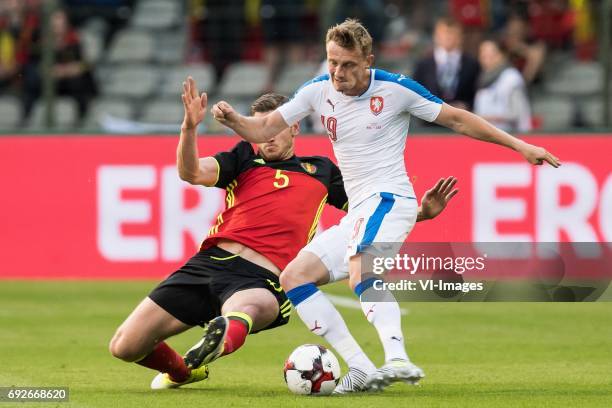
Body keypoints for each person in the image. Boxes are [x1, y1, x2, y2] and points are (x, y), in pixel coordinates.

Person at [208, 18, 560, 392]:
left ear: (368, 61)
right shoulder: (317, 90)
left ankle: (397, 359)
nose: (338, 72)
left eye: (347, 64)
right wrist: (234, 120)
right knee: (294, 277)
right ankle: (360, 369)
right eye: (332, 62)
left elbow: (458, 119)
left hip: (390, 198)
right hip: (361, 209)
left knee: (363, 272)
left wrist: (521, 146)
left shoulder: (396, 89)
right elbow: (262, 130)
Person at [108, 77, 458, 390]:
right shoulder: (243, 159)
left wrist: (421, 214)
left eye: (275, 125)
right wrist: (189, 128)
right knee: (125, 346)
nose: (267, 134)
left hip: (263, 278)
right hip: (208, 264)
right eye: (259, 126)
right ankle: (185, 371)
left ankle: (218, 340)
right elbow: (191, 173)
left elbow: (371, 214)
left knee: (245, 310)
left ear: (294, 128)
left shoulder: (321, 171)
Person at [413, 16, 480, 111]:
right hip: (429, 122)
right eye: (444, 33)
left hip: (462, 121)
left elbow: (477, 94)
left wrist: (466, 105)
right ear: (436, 36)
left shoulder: (472, 64)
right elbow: (415, 93)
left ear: (460, 37)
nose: (448, 37)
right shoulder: (423, 64)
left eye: (452, 33)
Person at [473, 39, 532, 133]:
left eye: (491, 55)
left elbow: (517, 113)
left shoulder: (511, 77)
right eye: (483, 55)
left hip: (511, 136)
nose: (486, 59)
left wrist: (485, 118)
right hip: (487, 136)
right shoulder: (482, 78)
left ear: (501, 55)